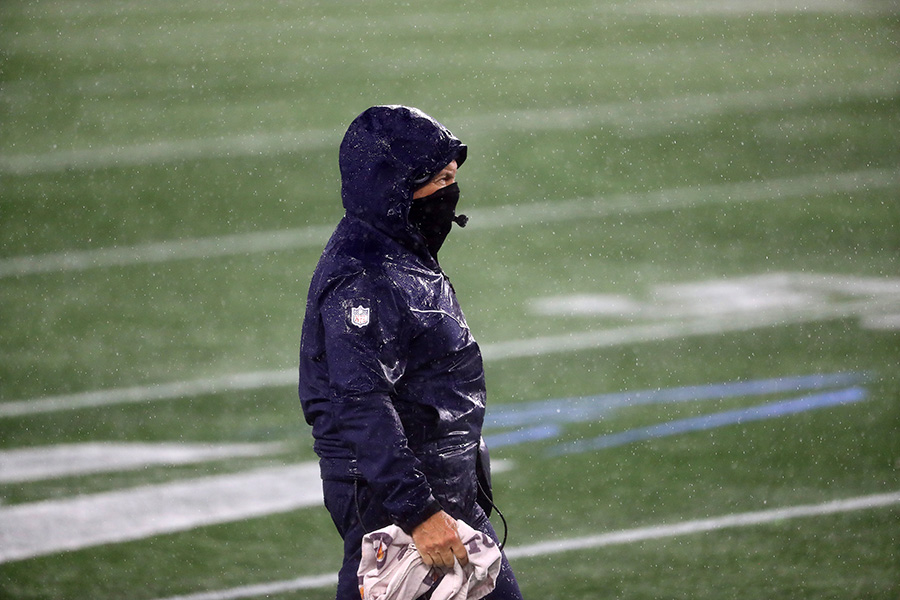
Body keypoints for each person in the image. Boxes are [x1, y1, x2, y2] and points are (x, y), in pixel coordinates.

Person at [298, 105, 523, 600]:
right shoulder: (366, 276)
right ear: (395, 187)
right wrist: (419, 512)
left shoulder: (400, 252)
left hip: (436, 491)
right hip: (398, 505)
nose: (451, 193)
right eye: (440, 179)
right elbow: (359, 403)